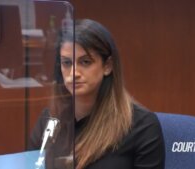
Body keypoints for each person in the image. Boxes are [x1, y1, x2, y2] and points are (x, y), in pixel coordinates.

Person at [28, 19, 165, 169]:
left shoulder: (141, 126)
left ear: (107, 66)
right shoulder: (50, 120)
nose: (74, 73)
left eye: (85, 62)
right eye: (67, 63)